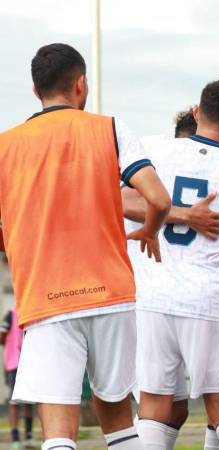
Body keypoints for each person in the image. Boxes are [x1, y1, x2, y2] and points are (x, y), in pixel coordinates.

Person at [0, 43, 171, 450]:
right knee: (119, 421)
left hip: (46, 296)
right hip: (111, 292)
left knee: (58, 430)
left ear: (34, 90)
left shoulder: (6, 146)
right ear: (81, 85)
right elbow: (160, 200)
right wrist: (149, 230)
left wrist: (18, 245)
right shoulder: (108, 128)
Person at [127, 80, 219, 450]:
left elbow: (121, 199)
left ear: (197, 112)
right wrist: (192, 218)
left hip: (153, 293)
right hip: (207, 297)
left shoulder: (154, 149)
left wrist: (175, 215)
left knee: (152, 406)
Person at [0, 308, 36, 449]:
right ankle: (15, 438)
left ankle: (28, 438)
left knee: (29, 401)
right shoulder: (11, 314)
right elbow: (2, 334)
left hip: (30, 363)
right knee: (14, 401)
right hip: (14, 363)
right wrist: (11, 346)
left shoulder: (31, 311)